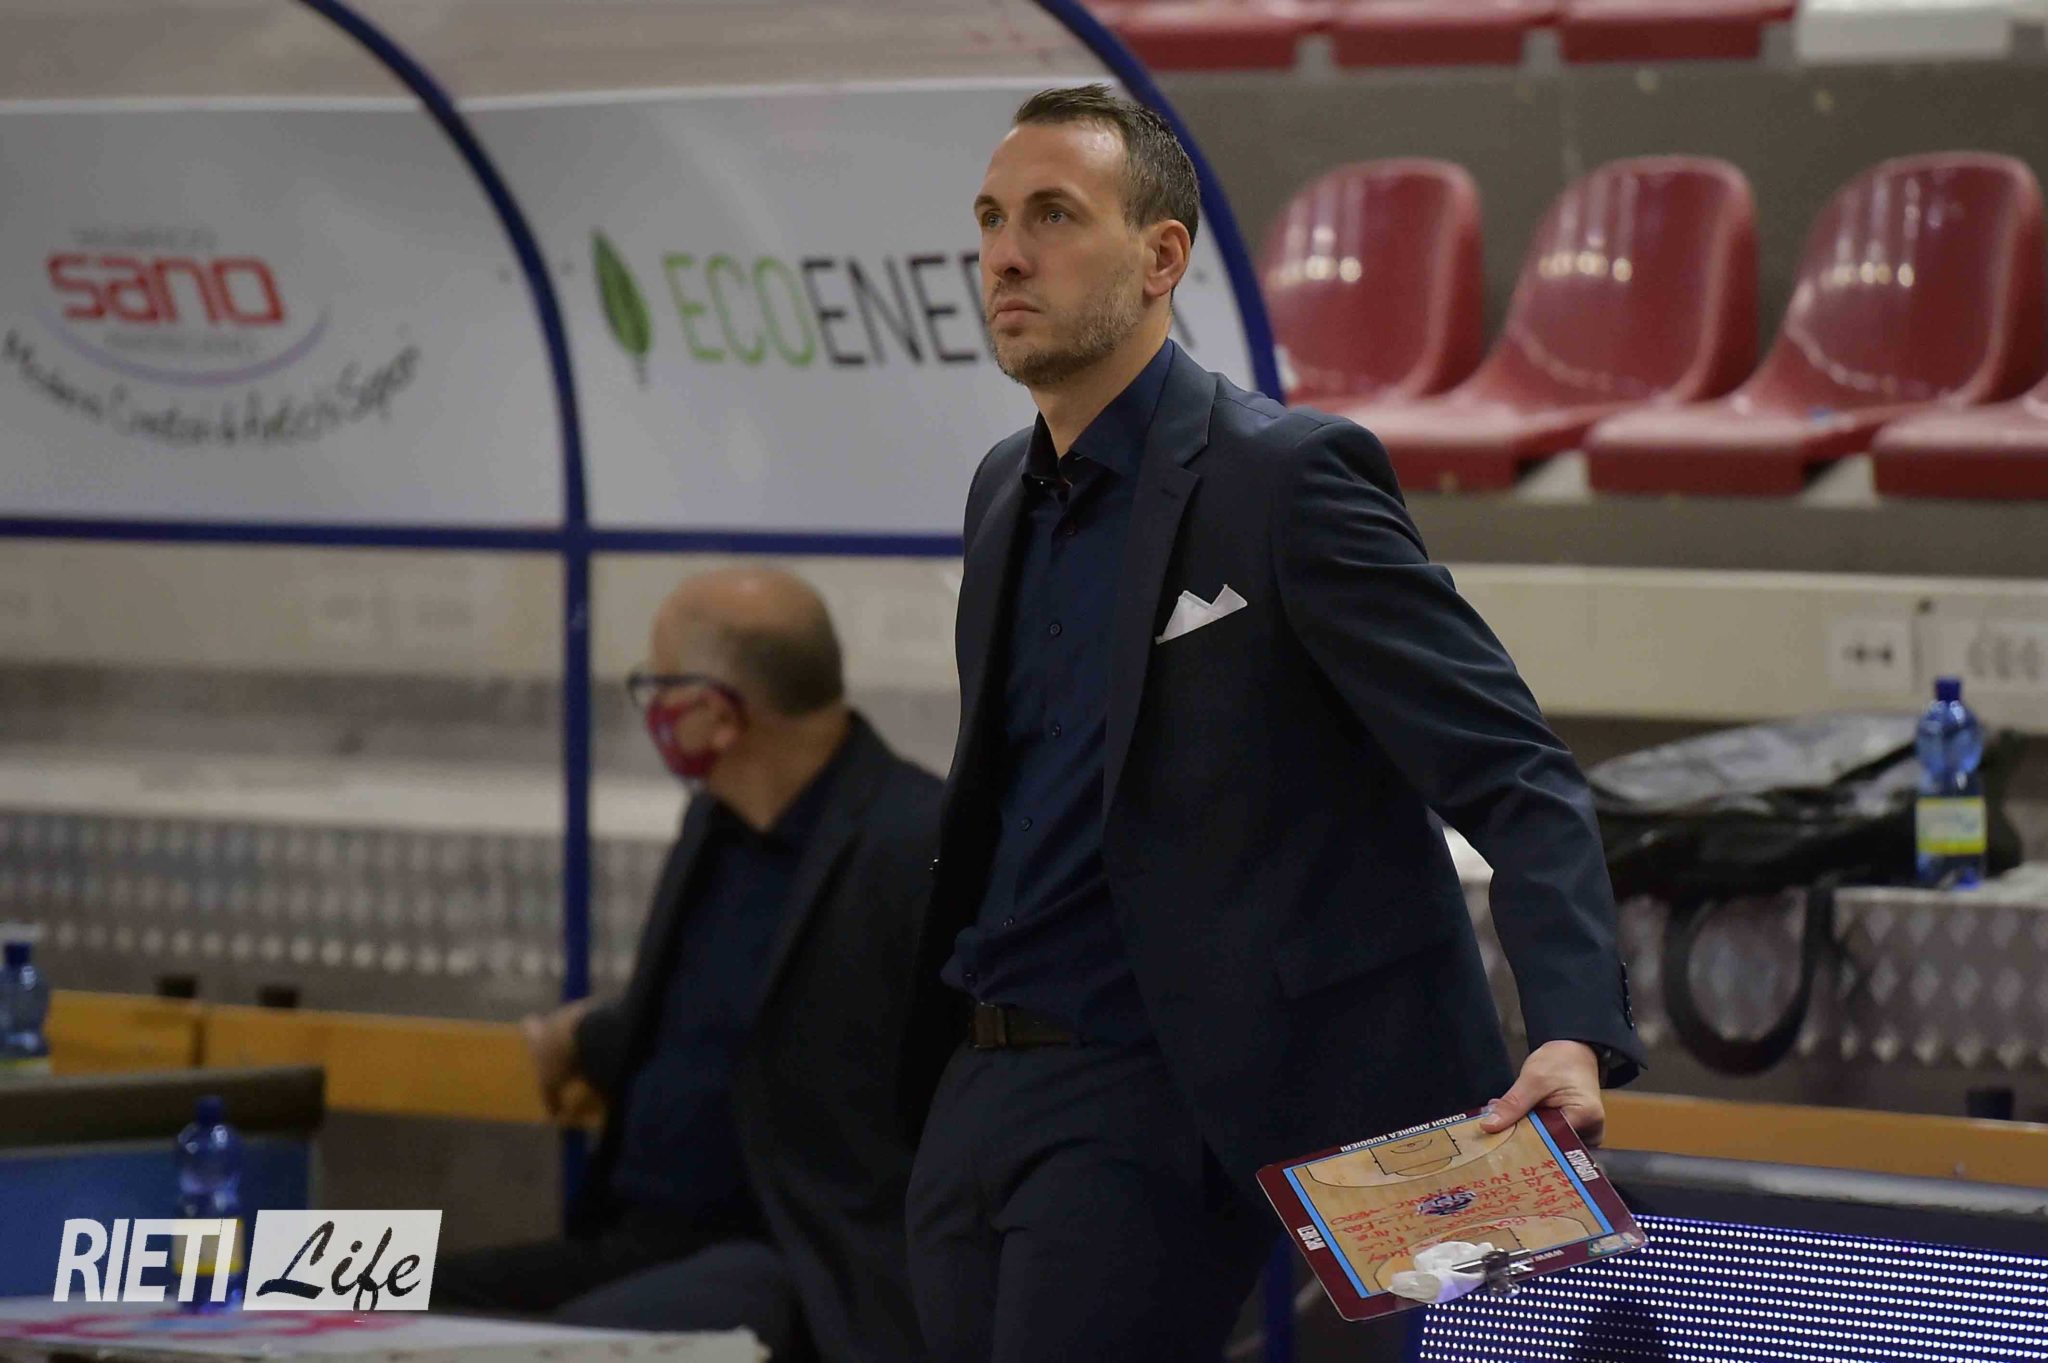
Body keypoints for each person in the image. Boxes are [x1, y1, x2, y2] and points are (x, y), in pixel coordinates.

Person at [902, 85, 1645, 1362]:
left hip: (1164, 1090)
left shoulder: (1284, 479)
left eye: (1051, 216)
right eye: (989, 220)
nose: (1005, 255)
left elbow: (1513, 771)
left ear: (1160, 257)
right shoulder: (997, 495)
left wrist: (1571, 1025)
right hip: (982, 1076)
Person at [436, 566, 940, 1363]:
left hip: (789, 1266)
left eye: (657, 684)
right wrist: (584, 1037)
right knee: (301, 1279)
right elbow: (714, 1022)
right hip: (625, 1245)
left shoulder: (912, 844)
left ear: (716, 712)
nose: (652, 709)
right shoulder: (717, 824)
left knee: (547, 1351)